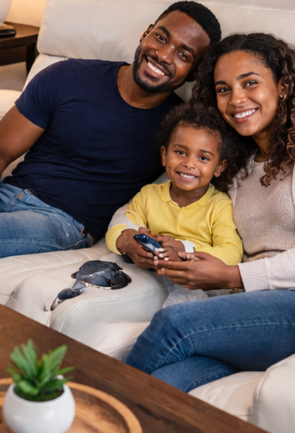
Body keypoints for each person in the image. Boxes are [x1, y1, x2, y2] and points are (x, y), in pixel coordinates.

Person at [123, 33, 295, 392]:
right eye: (223, 89)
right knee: (166, 383)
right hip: (253, 310)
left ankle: (87, 416)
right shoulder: (235, 163)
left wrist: (233, 275)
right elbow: (159, 202)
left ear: (283, 86)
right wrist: (168, 248)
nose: (236, 99)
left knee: (174, 324)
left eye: (250, 83)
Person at [0, 1, 222, 260]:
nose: (164, 55)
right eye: (161, 37)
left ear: (193, 74)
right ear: (146, 33)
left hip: (63, 220)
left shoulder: (181, 129)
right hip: (5, 193)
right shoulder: (68, 75)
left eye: (183, 55)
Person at [104, 101, 245, 308]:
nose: (189, 163)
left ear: (219, 167)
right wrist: (126, 241)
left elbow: (232, 253)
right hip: (154, 276)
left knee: (182, 303)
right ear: (164, 155)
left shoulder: (219, 205)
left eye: (203, 157)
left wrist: (183, 251)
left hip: (199, 284)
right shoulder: (149, 195)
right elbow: (119, 227)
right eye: (180, 152)